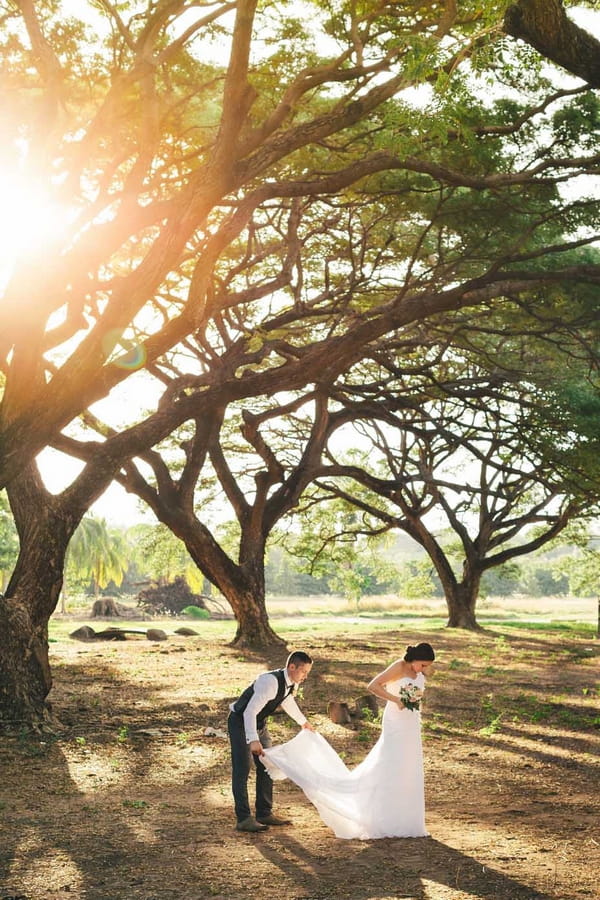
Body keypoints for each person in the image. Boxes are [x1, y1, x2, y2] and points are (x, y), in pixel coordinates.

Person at [260, 642, 435, 840]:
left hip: (411, 721)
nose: (423, 669)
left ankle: (406, 815)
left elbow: (419, 686)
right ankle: (381, 811)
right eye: (422, 664)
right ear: (414, 659)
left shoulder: (420, 670)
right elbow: (373, 685)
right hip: (396, 719)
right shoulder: (399, 666)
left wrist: (415, 696)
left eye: (426, 666)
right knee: (391, 761)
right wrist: (396, 699)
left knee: (409, 765)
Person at [227, 650, 314, 832]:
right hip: (240, 722)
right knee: (242, 769)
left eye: (307, 673)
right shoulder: (270, 682)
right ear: (292, 667)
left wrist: (303, 722)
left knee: (267, 765)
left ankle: (264, 813)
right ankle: (243, 818)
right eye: (303, 672)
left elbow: (287, 701)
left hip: (259, 723)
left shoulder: (290, 683)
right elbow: (248, 712)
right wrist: (253, 739)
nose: (305, 676)